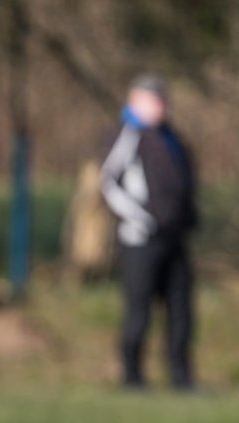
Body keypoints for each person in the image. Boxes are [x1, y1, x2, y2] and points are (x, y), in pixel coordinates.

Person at [100, 73, 198, 390]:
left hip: (175, 237)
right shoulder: (126, 135)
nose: (161, 105)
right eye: (154, 99)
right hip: (140, 240)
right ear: (135, 101)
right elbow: (108, 183)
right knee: (138, 310)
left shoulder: (171, 137)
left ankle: (180, 377)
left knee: (181, 310)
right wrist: (142, 219)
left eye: (162, 98)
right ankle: (132, 377)